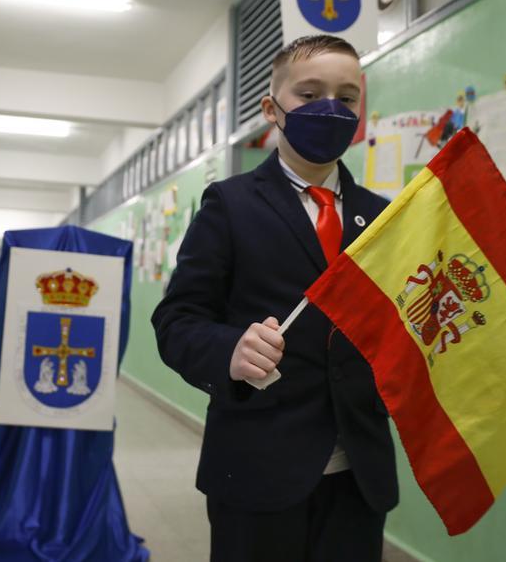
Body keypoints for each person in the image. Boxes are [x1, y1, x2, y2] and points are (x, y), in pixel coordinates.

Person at [152, 35, 397, 561]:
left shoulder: (381, 218)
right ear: (272, 108)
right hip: (258, 469)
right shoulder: (230, 204)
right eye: (309, 95)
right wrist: (230, 351)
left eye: (347, 97)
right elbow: (177, 320)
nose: (330, 108)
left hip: (359, 473)